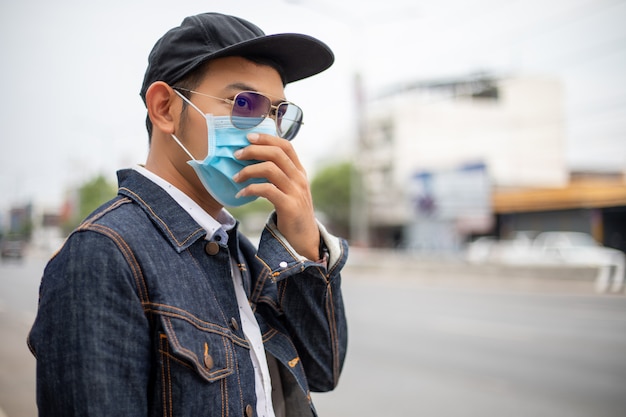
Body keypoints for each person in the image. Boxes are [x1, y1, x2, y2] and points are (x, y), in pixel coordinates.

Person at [28, 12, 348, 417]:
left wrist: (302, 239)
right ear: (165, 108)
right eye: (245, 104)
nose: (266, 132)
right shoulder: (104, 255)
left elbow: (321, 370)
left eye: (278, 113)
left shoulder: (242, 256)